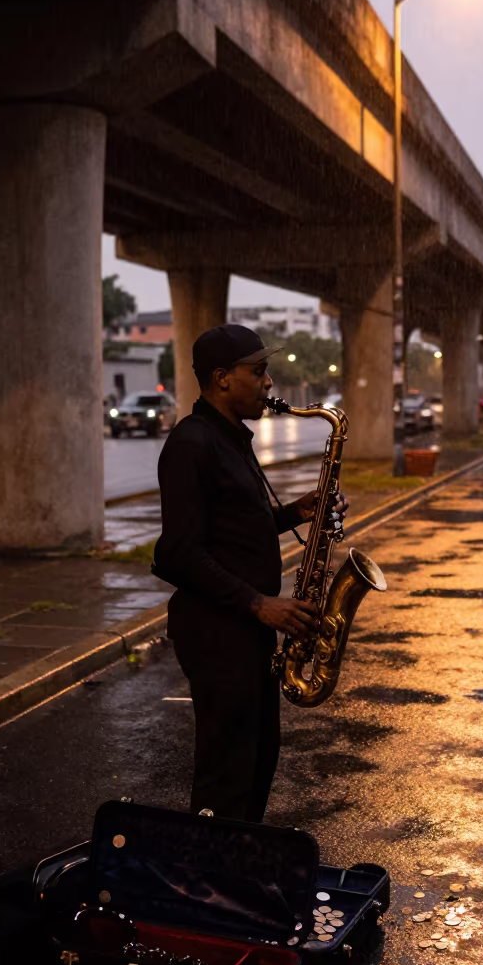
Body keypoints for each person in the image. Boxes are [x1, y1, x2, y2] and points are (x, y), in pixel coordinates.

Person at [153, 324, 348, 821]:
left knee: (257, 765)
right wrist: (261, 604)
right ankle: (210, 886)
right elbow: (178, 554)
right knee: (226, 777)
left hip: (245, 631)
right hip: (218, 633)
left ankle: (236, 877)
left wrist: (299, 511)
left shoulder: (230, 439)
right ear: (222, 378)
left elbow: (234, 527)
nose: (268, 382)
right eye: (257, 371)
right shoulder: (191, 444)